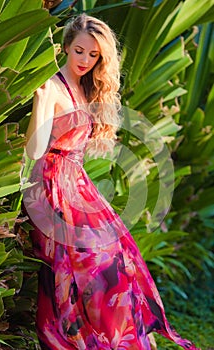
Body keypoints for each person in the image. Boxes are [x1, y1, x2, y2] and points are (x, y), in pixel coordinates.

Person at [23, 13, 200, 350]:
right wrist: (41, 103)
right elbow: (34, 151)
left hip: (78, 184)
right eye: (79, 51)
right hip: (52, 189)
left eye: (93, 55)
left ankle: (114, 341)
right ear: (65, 47)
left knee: (116, 263)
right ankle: (75, 341)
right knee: (76, 270)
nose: (85, 61)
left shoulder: (84, 85)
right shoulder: (53, 87)